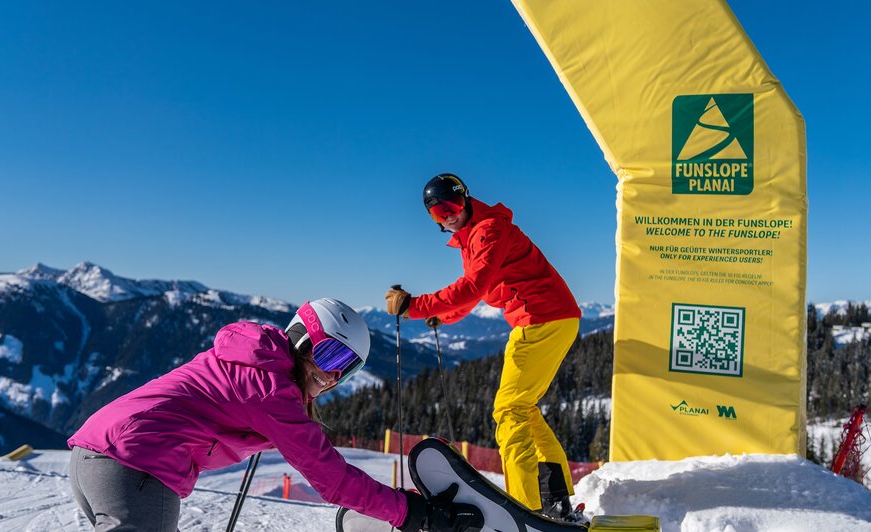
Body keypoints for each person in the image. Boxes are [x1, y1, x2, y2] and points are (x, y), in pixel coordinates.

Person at [67, 298, 478, 532]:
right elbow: (331, 478)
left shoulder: (255, 362)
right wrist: (411, 513)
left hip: (93, 457)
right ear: (300, 339)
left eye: (347, 367)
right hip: (135, 466)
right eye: (330, 354)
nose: (331, 375)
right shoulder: (269, 388)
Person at [385, 174, 585, 523]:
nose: (446, 216)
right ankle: (554, 501)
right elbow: (476, 291)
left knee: (509, 411)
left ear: (465, 200)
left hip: (540, 319)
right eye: (437, 213)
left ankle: (529, 509)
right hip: (553, 317)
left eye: (451, 206)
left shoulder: (489, 230)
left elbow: (472, 287)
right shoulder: (472, 237)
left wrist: (416, 306)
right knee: (524, 409)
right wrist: (443, 318)